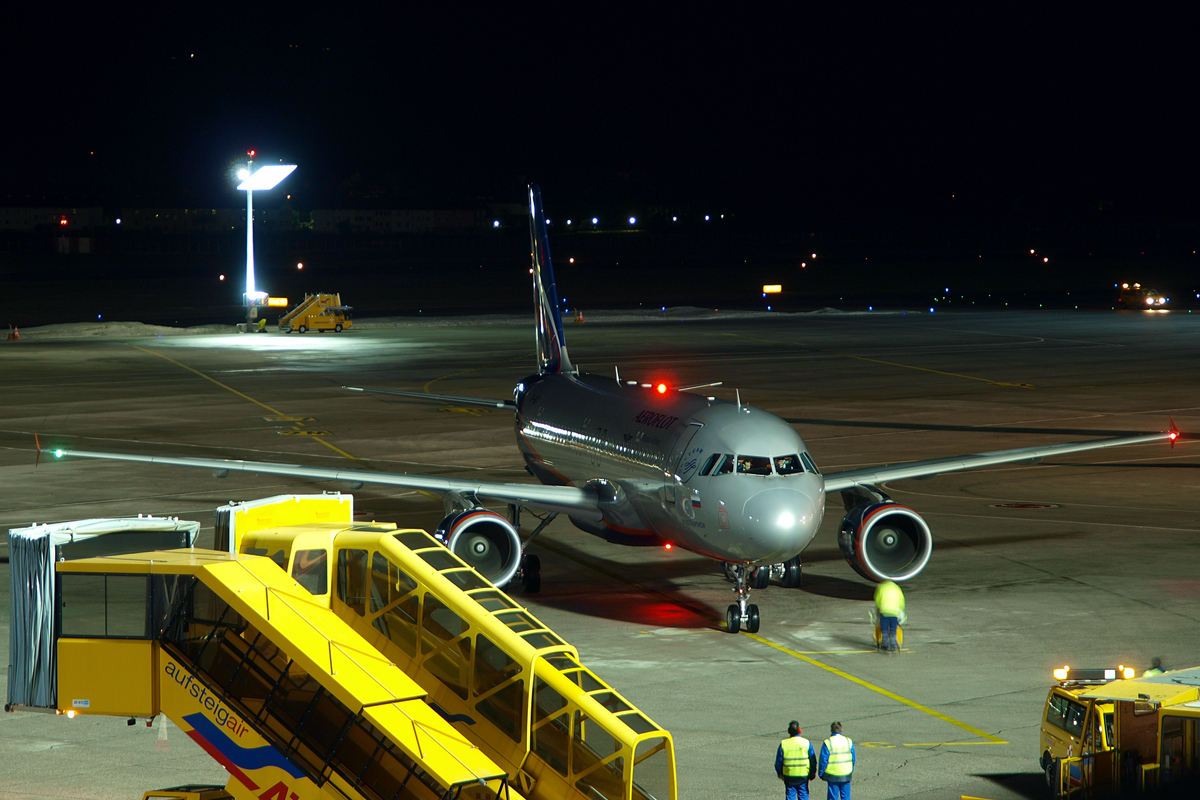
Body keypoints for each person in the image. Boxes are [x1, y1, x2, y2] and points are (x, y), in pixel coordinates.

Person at [775, 720, 817, 800]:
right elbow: (812, 759)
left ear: (789, 731)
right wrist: (813, 772)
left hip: (789, 775)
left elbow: (779, 761)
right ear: (799, 730)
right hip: (803, 775)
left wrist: (779, 773)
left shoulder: (784, 744)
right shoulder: (806, 743)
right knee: (803, 794)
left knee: (790, 795)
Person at [819, 721, 855, 800]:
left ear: (831, 730)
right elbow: (853, 758)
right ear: (841, 729)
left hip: (832, 774)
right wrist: (851, 769)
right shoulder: (848, 741)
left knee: (833, 797)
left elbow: (823, 760)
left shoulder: (828, 742)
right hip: (846, 773)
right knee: (846, 797)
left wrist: (821, 773)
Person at [874, 580, 904, 652]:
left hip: (884, 611)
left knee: (884, 628)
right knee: (893, 629)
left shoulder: (881, 587)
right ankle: (893, 645)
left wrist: (879, 607)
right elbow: (901, 600)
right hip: (894, 612)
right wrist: (900, 609)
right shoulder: (897, 588)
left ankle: (885, 644)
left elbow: (877, 599)